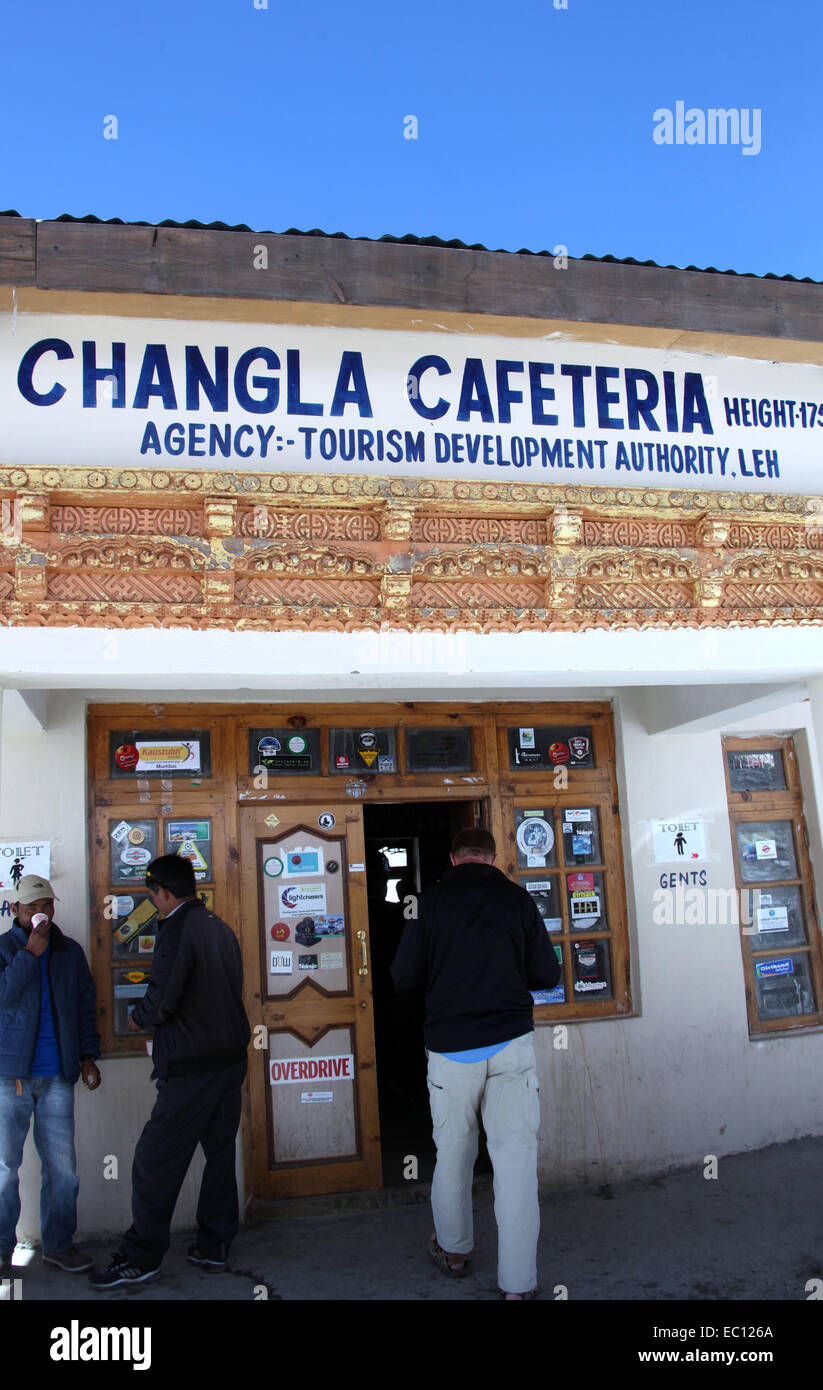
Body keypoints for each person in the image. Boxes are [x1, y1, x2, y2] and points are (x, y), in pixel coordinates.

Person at [391, 827, 560, 1300]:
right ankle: (519, 1285)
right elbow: (547, 974)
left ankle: (454, 1250)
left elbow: (402, 975)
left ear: (453, 857)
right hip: (510, 1045)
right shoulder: (518, 901)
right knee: (516, 1162)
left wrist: (441, 989)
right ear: (491, 857)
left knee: (454, 1153)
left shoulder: (428, 903)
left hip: (450, 1049)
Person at [90, 854, 250, 1288]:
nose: (154, 903)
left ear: (161, 893)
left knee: (153, 1159)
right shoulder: (219, 927)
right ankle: (215, 1245)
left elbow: (163, 996)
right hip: (229, 1062)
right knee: (219, 1154)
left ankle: (142, 1255)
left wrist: (140, 1017)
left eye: (153, 896)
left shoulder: (178, 928)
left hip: (192, 1067)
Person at [0, 874, 101, 1275]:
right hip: (11, 1076)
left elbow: (83, 1005)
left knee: (63, 1169)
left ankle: (59, 1244)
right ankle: (3, 1248)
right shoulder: (6, 949)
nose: (41, 914)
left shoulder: (70, 952)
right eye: (32, 908)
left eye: (47, 907)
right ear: (15, 911)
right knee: (6, 1169)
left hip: (58, 1074)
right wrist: (29, 954)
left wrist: (88, 1056)